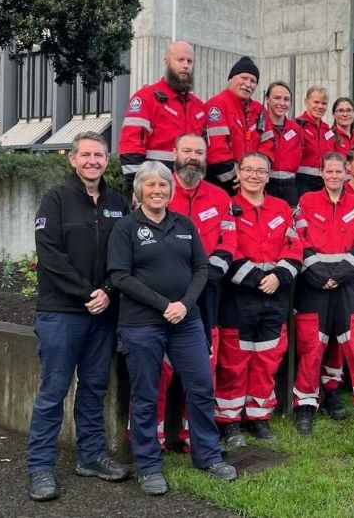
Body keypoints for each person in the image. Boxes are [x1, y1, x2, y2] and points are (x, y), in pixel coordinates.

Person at [108, 161, 236, 495]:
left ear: (171, 190)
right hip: (142, 324)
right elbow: (120, 276)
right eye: (150, 185)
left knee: (201, 386)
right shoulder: (126, 228)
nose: (157, 191)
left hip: (186, 321)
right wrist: (164, 305)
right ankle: (148, 465)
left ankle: (207, 455)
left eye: (163, 185)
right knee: (147, 394)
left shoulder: (184, 224)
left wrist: (184, 304)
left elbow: (201, 268)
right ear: (139, 191)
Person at [27, 132, 131, 502]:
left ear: (107, 160)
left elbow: (125, 256)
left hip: (103, 313)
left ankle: (91, 457)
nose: (92, 161)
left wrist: (108, 291)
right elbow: (51, 256)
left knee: (94, 389)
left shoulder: (119, 202)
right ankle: (40, 468)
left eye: (99, 155)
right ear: (72, 159)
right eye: (85, 155)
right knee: (53, 391)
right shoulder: (56, 199)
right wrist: (89, 293)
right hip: (62, 313)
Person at [291, 152, 354, 433]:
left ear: (346, 173)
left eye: (338, 171)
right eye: (328, 171)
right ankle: (305, 405)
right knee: (311, 347)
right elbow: (299, 239)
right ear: (322, 173)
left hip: (350, 284)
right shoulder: (306, 202)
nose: (334, 176)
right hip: (313, 285)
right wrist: (320, 275)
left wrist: (339, 275)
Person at [214, 152, 302, 444]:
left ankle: (258, 417)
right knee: (233, 361)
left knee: (268, 358)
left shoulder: (281, 208)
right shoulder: (228, 207)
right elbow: (228, 249)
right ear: (238, 174)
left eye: (260, 171)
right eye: (248, 170)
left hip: (275, 295)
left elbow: (294, 247)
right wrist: (256, 279)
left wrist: (278, 277)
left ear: (268, 175)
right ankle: (228, 421)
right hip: (239, 296)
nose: (254, 175)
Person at [157, 133, 237, 450]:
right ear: (174, 153)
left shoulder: (220, 197)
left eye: (199, 152)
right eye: (187, 150)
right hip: (163, 297)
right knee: (159, 369)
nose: (193, 157)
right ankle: (152, 436)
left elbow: (228, 246)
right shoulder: (158, 191)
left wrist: (200, 279)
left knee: (204, 368)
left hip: (207, 296)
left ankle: (195, 435)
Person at [119, 41, 206, 184]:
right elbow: (131, 143)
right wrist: (137, 185)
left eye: (190, 61)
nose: (186, 65)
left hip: (191, 186)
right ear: (167, 61)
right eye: (180, 60)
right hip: (157, 186)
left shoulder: (199, 106)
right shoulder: (147, 98)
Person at [204, 56, 271, 193]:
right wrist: (235, 179)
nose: (248, 84)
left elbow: (268, 144)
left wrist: (256, 174)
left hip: (252, 182)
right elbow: (217, 149)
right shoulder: (216, 106)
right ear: (230, 79)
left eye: (253, 81)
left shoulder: (260, 111)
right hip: (225, 184)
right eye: (244, 78)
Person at [263, 81, 302, 207]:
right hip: (265, 184)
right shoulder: (259, 125)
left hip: (289, 186)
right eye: (277, 98)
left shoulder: (295, 128)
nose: (282, 103)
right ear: (267, 99)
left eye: (286, 99)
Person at [296, 86, 335, 195]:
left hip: (324, 182)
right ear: (306, 102)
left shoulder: (327, 130)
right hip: (302, 182)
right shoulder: (296, 126)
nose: (320, 106)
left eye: (324, 103)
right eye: (316, 102)